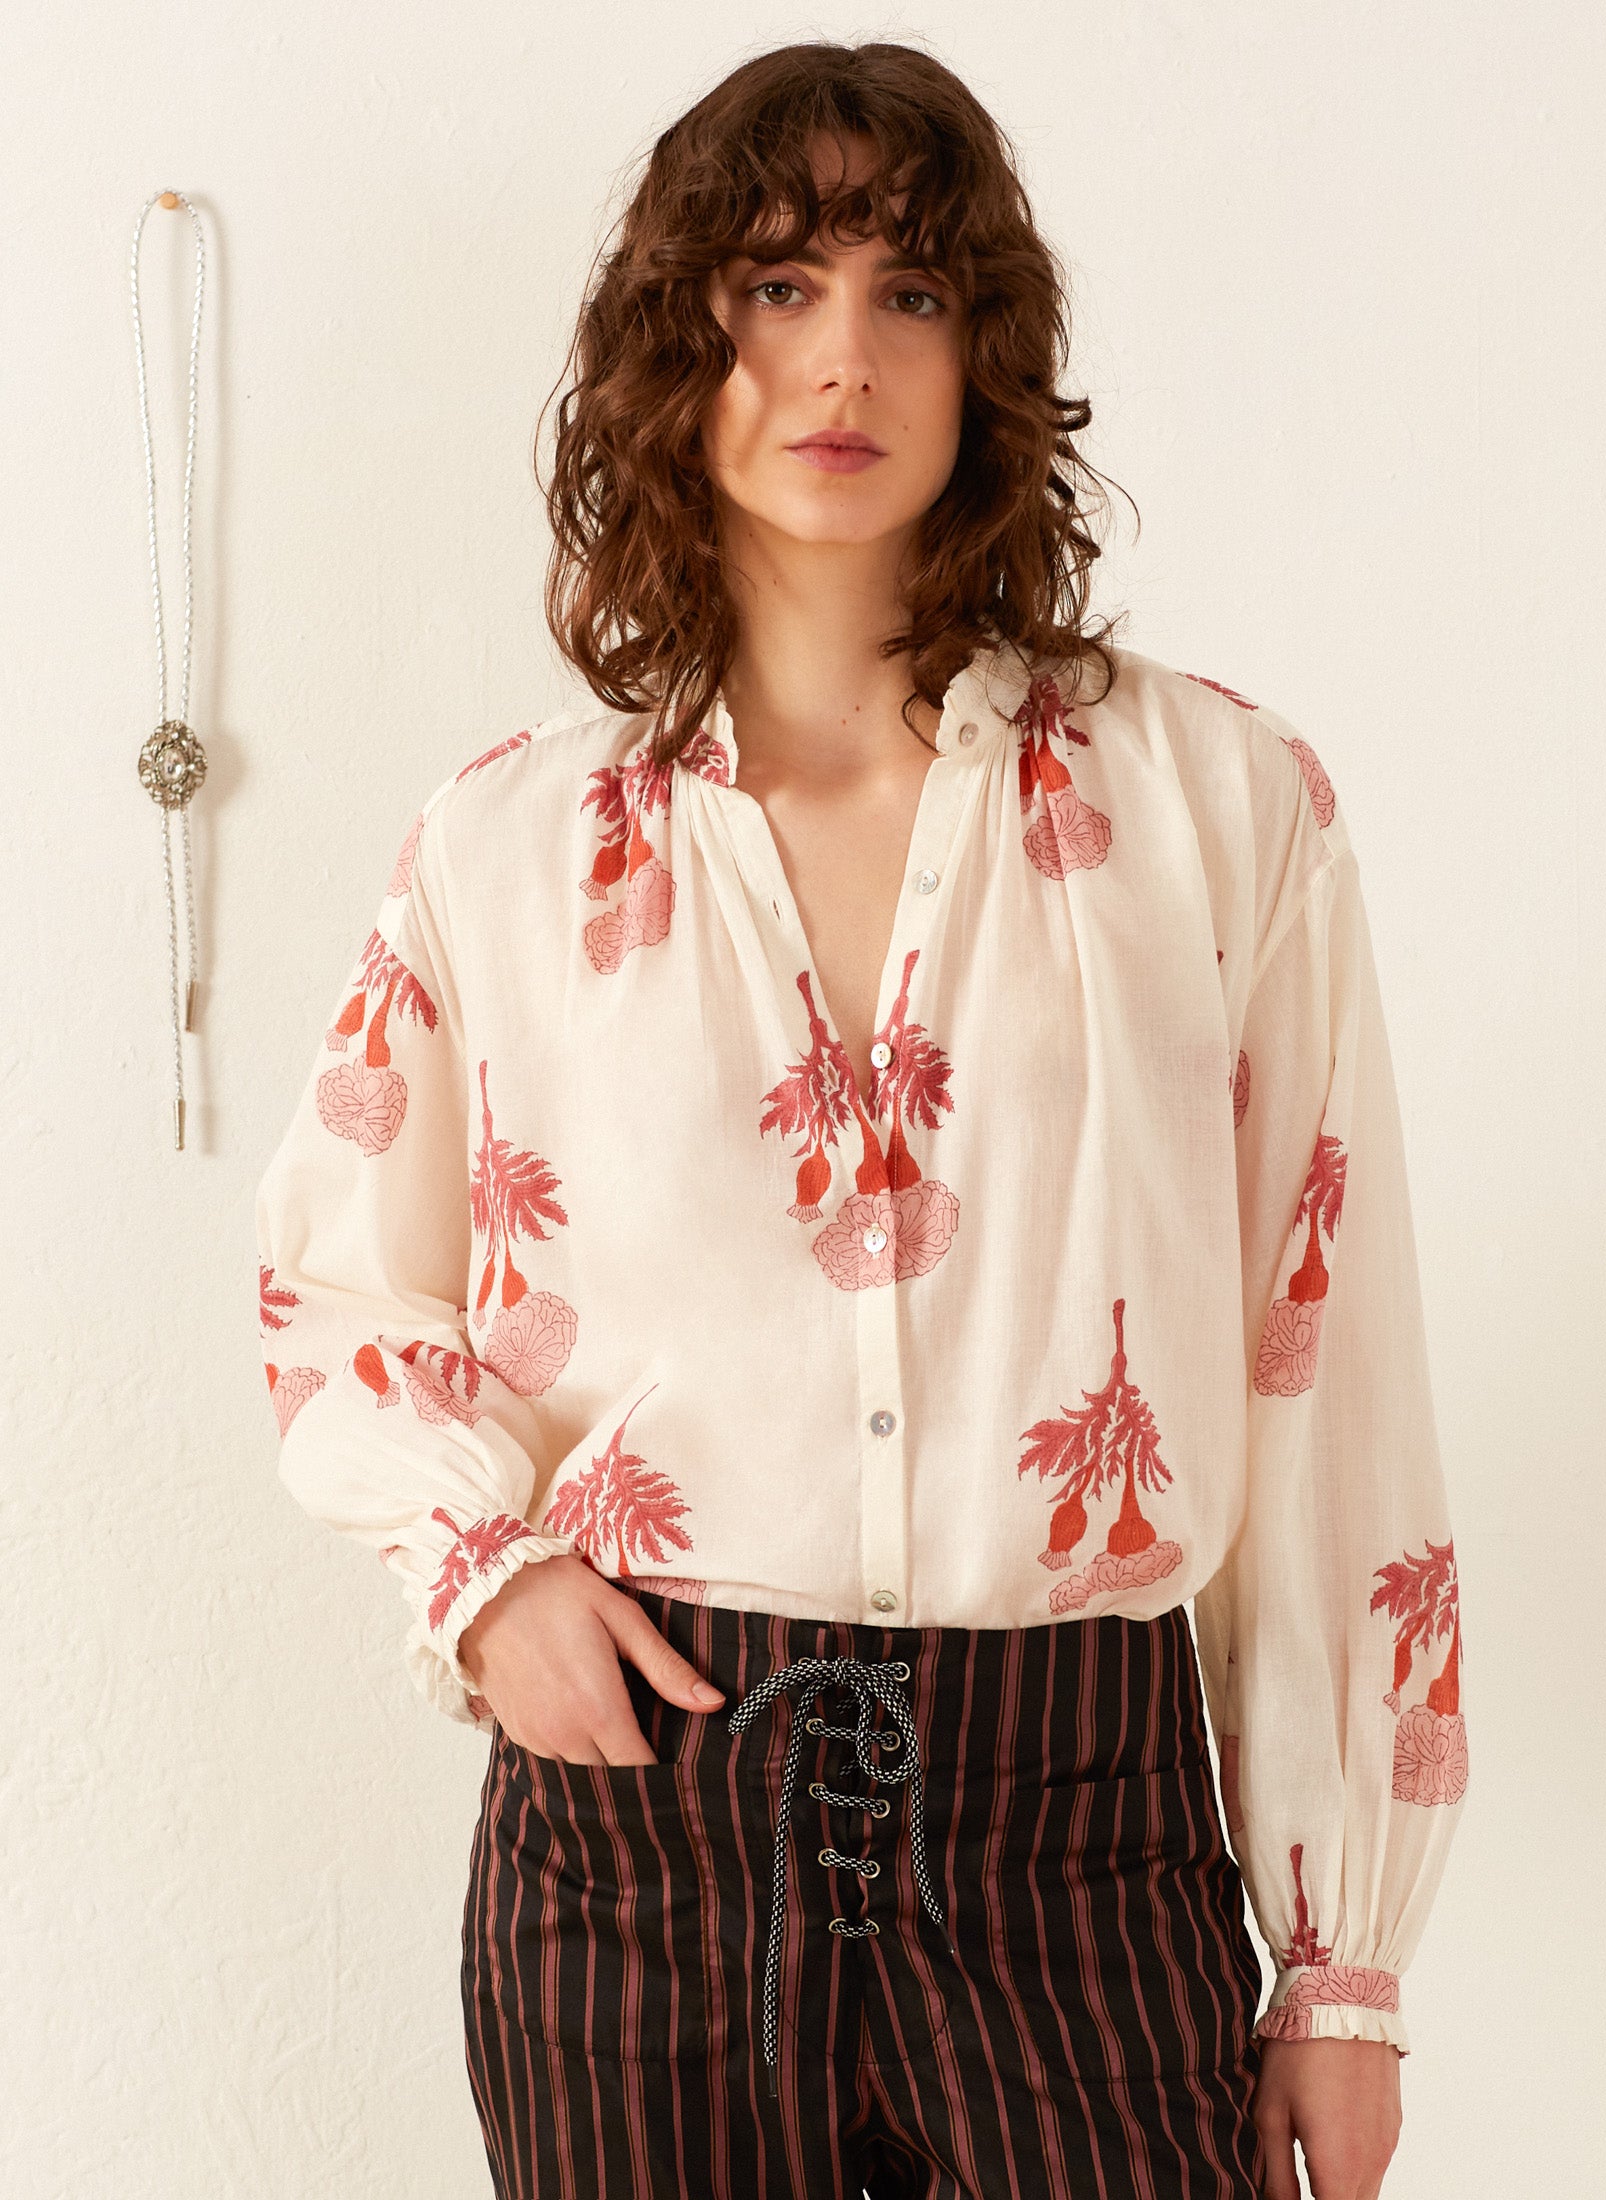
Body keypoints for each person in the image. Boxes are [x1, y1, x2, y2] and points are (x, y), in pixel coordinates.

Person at [254, 39, 1468, 2200]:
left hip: (1075, 1827)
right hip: (645, 1816)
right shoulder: (512, 842)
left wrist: (1338, 1958)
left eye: (911, 293)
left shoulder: (1215, 806)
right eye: (775, 285)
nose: (843, 358)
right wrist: (483, 1569)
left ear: (986, 355)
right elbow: (336, 1275)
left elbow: (1324, 1360)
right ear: (675, 343)